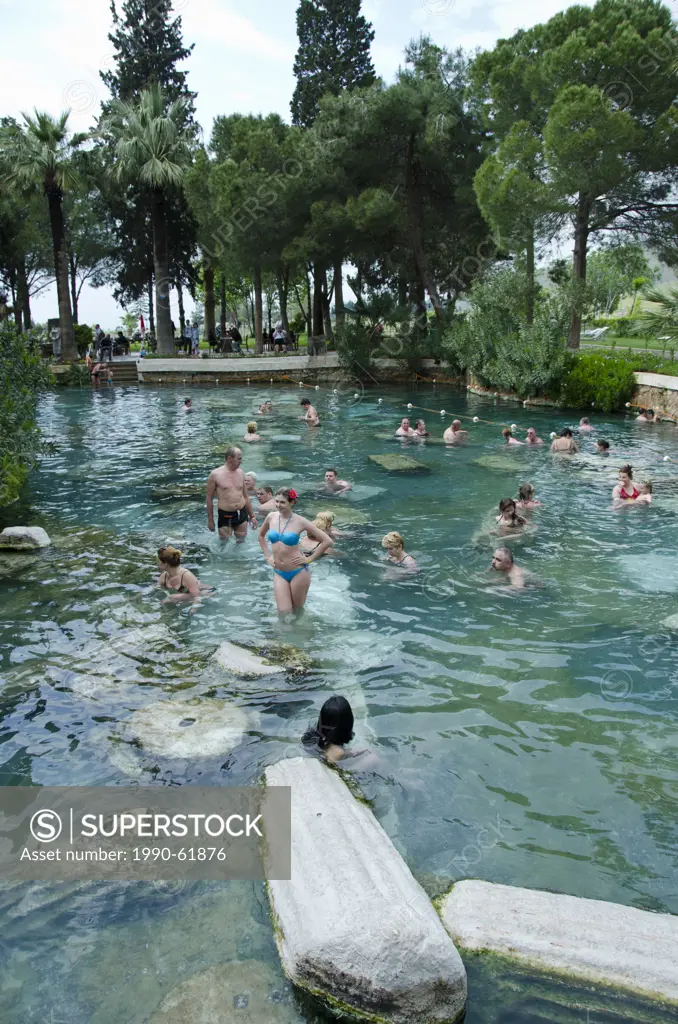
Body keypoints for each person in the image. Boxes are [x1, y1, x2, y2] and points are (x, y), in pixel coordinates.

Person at [258, 487, 332, 613]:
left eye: (282, 502)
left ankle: (300, 632)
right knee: (283, 612)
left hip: (298, 571)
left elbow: (327, 541)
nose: (278, 505)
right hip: (279, 571)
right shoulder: (271, 517)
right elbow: (260, 536)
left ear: (292, 502)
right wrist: (268, 557)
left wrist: (309, 559)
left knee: (297, 612)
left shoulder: (300, 521)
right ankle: (283, 633)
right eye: (276, 501)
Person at [206, 446, 258, 542]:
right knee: (225, 544)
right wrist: (210, 520)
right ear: (229, 458)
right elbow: (209, 498)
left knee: (241, 542)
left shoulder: (241, 473)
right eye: (239, 459)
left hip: (242, 513)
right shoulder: (215, 475)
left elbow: (245, 496)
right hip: (226, 515)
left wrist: (252, 516)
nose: (241, 461)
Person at [301, 696, 372, 765]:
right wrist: (353, 753)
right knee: (374, 759)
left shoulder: (312, 734)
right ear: (349, 723)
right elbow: (331, 763)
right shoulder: (337, 751)